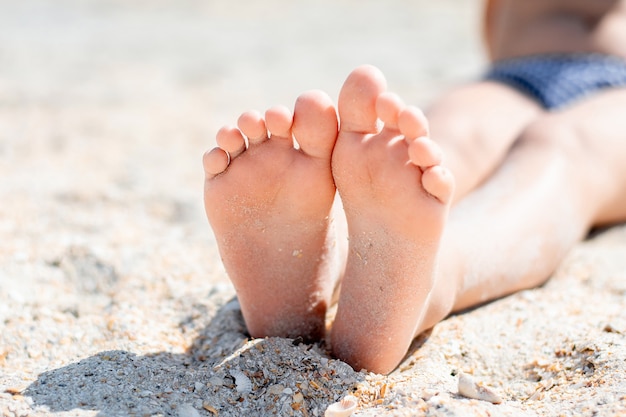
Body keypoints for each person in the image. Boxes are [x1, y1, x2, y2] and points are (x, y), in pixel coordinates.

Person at [202, 0, 626, 374]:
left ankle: (428, 277)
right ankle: (324, 269)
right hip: (517, 74)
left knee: (562, 150)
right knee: (433, 148)